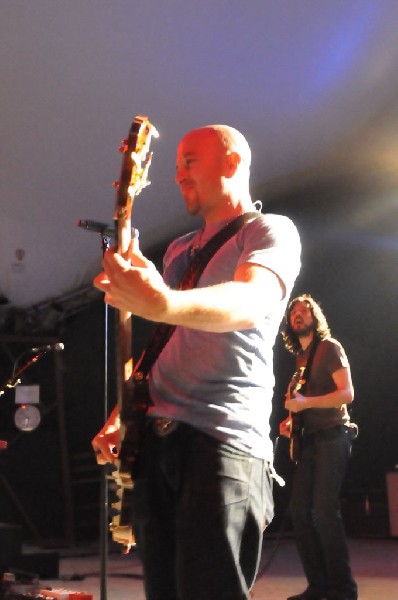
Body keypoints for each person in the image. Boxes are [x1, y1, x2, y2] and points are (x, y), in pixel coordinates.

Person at [92, 124, 301, 600]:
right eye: (176, 164)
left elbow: (252, 300)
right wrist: (120, 415)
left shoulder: (268, 231)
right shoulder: (179, 249)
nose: (178, 174)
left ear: (232, 162)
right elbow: (165, 340)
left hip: (222, 442)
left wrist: (162, 302)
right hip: (157, 439)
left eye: (190, 161)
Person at [279, 294, 358, 600]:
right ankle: (319, 585)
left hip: (332, 436)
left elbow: (347, 394)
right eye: (294, 312)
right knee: (299, 511)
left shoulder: (329, 348)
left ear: (315, 318)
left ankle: (343, 589)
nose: (299, 315)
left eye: (305, 311)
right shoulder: (300, 360)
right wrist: (291, 423)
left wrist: (306, 403)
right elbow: (302, 404)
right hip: (309, 441)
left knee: (324, 512)